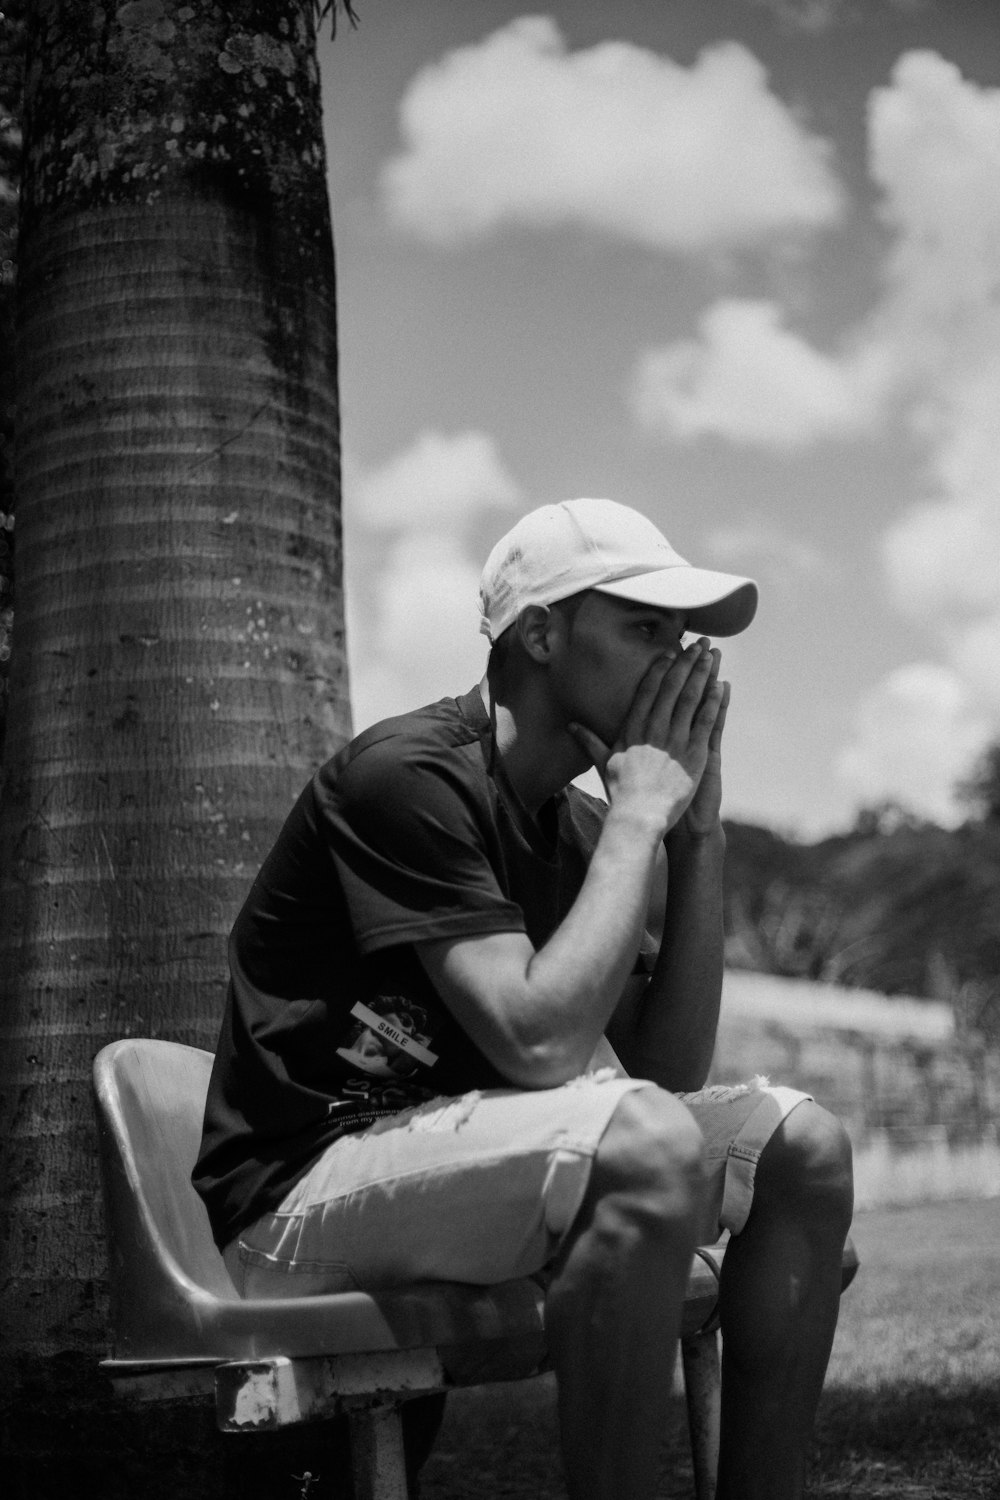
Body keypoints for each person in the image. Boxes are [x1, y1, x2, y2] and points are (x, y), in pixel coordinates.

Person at [194, 497, 854, 1500]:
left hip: (454, 1155)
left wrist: (696, 834)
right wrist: (640, 817)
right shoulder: (406, 778)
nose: (676, 665)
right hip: (297, 1192)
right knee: (640, 1147)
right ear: (542, 633)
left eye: (681, 641)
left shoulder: (585, 832)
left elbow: (665, 1074)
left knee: (802, 1149)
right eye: (643, 629)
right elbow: (542, 1047)